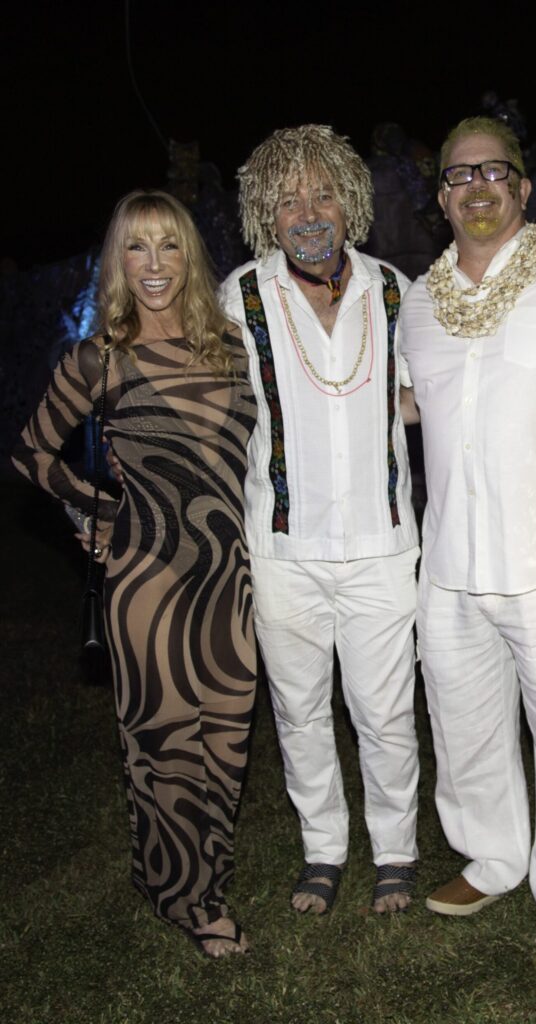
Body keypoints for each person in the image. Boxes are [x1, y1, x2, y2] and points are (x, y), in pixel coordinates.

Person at [14, 189, 258, 958]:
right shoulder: (99, 358)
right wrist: (99, 509)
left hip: (230, 579)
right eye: (136, 247)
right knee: (163, 745)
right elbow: (29, 455)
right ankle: (194, 899)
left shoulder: (231, 346)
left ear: (190, 257)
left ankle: (174, 873)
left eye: (169, 246)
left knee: (226, 744)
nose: (154, 265)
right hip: (147, 579)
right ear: (117, 262)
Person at [398, 116, 536, 950]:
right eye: (459, 175)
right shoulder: (417, 303)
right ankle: (490, 858)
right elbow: (405, 405)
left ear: (523, 188)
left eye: (494, 172)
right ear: (442, 196)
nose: (478, 187)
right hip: (449, 556)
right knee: (462, 721)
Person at [220, 125, 420, 915]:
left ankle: (396, 853)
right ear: (265, 215)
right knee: (299, 712)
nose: (308, 213)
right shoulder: (236, 297)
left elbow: (415, 401)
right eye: (288, 200)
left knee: (386, 712)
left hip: (380, 547)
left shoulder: (395, 290)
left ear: (352, 203)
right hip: (279, 548)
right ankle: (324, 851)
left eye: (323, 195)